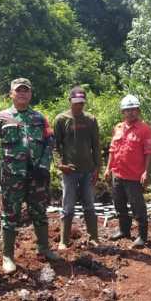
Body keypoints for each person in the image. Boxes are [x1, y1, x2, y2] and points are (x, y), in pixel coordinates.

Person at [0, 78, 58, 275]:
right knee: (10, 216)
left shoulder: (40, 118)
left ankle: (44, 248)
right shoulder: (1, 118)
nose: (22, 94)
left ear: (30, 94)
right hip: (12, 177)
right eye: (18, 91)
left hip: (36, 176)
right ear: (11, 94)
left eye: (26, 91)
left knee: (39, 212)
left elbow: (50, 142)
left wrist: (44, 165)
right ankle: (8, 256)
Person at [103, 95, 151, 248]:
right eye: (127, 110)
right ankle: (124, 231)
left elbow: (149, 152)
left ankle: (142, 236)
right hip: (117, 174)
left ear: (138, 110)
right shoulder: (118, 128)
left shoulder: (145, 129)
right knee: (119, 204)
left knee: (137, 206)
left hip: (134, 176)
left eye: (133, 110)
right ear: (122, 112)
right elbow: (112, 149)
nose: (130, 113)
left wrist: (146, 172)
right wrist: (107, 168)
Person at [53, 86, 101, 249]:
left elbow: (96, 145)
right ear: (70, 101)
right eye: (75, 103)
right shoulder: (61, 119)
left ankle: (94, 237)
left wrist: (97, 169)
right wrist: (60, 165)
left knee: (89, 204)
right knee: (68, 206)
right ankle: (63, 241)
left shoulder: (90, 120)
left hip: (88, 170)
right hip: (69, 171)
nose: (78, 106)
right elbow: (55, 146)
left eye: (81, 103)